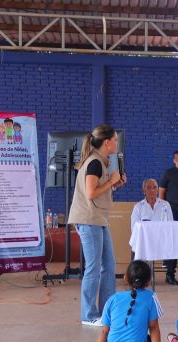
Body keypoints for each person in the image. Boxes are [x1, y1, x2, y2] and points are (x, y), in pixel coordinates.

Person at [68, 124, 127, 326]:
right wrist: (111, 181)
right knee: (93, 268)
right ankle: (89, 314)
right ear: (107, 142)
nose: (117, 143)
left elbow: (97, 191)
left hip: (99, 219)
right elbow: (91, 193)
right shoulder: (94, 163)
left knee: (109, 265)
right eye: (115, 140)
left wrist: (114, 183)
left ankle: (105, 312)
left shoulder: (101, 162)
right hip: (88, 219)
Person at [83, 260, 173, 342]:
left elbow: (105, 332)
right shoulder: (151, 297)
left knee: (142, 341)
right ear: (148, 282)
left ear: (125, 278)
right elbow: (154, 328)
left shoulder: (112, 299)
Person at [131, 178, 178, 285]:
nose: (152, 190)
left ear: (157, 190)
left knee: (174, 244)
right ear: (143, 191)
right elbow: (134, 228)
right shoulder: (138, 207)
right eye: (148, 188)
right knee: (137, 246)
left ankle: (170, 275)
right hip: (145, 241)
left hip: (162, 239)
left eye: (154, 187)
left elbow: (170, 224)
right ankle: (140, 277)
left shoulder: (165, 204)